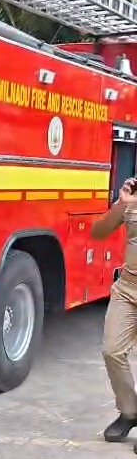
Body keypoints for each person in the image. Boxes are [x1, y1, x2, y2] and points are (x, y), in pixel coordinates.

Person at [91, 177, 137, 442]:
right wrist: (121, 204)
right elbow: (98, 232)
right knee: (112, 351)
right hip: (127, 288)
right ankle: (129, 412)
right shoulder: (132, 199)